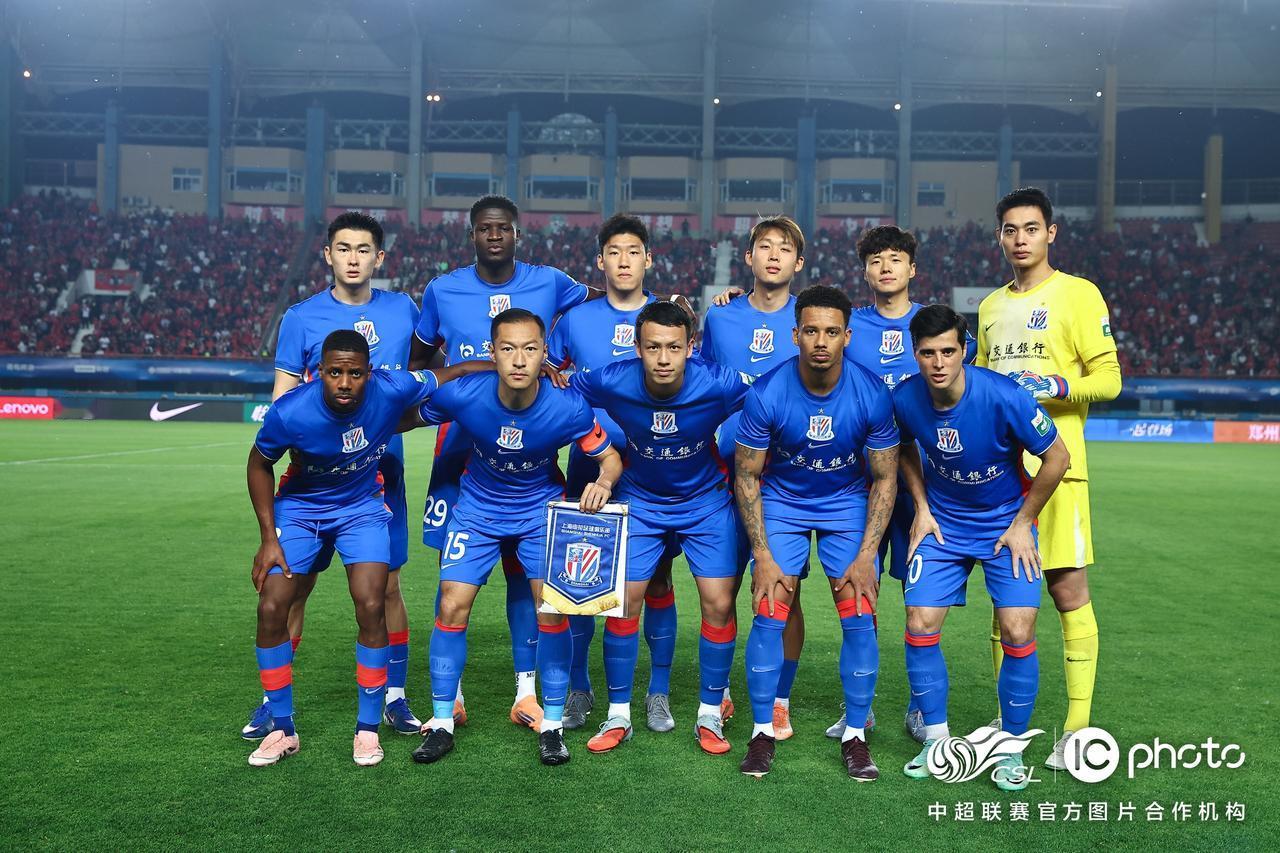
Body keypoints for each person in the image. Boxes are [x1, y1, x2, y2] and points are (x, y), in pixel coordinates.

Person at [244, 330, 479, 767]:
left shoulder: (391, 386)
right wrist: (268, 539)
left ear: (369, 373)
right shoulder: (291, 411)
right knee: (272, 606)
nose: (345, 382)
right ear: (319, 372)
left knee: (371, 603)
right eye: (335, 373)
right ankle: (282, 728)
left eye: (355, 373)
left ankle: (367, 730)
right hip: (301, 508)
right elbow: (259, 464)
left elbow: (457, 370)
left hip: (361, 508)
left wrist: (514, 367)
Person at [408, 195, 595, 730]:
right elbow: (418, 363)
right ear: (472, 235)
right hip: (461, 444)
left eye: (503, 228)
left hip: (529, 441)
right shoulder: (442, 289)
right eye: (485, 229)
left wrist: (551, 365)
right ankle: (451, 697)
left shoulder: (550, 281)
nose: (494, 236)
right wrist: (470, 377)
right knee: (454, 572)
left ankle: (526, 692)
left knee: (525, 575)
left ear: (517, 234)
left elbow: (606, 302)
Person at [408, 308, 623, 767]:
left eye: (530, 349)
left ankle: (552, 726)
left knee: (551, 610)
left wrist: (604, 483)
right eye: (508, 349)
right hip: (477, 510)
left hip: (538, 512)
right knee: (451, 605)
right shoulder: (464, 393)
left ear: (545, 354)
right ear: (493, 352)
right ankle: (443, 721)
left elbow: (609, 459)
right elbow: (406, 416)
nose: (519, 360)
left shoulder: (568, 406)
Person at [240, 212, 426, 743]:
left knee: (386, 585)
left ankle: (393, 695)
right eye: (343, 248)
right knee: (295, 587)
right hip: (314, 474)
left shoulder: (402, 310)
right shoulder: (301, 317)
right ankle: (274, 702)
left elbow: (422, 371)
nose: (353, 258)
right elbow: (283, 394)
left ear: (379, 257)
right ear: (327, 254)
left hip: (380, 469)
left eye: (363, 249)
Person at [895, 305, 1070, 791]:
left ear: (964, 349)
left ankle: (1010, 749)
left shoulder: (1004, 396)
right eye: (927, 353)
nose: (938, 363)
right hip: (943, 525)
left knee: (1018, 630)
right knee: (919, 622)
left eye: (947, 351)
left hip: (1004, 526)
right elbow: (903, 447)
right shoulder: (905, 398)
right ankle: (936, 742)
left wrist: (1024, 522)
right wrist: (921, 506)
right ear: (915, 353)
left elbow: (1058, 458)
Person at [977, 187, 1121, 768]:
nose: (1020, 239)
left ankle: (1077, 729)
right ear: (999, 237)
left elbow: (1109, 379)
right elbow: (980, 385)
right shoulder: (990, 307)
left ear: (1051, 233)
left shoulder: (1079, 294)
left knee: (1067, 591)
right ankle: (1006, 722)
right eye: (1010, 230)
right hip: (1000, 476)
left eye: (1031, 228)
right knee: (1006, 601)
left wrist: (1056, 386)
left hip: (1059, 470)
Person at [569, 301, 752, 756]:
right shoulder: (613, 379)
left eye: (674, 347)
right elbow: (564, 393)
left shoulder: (718, 382)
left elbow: (770, 403)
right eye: (653, 347)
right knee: (623, 604)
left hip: (706, 501)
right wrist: (599, 451)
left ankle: (710, 714)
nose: (664, 358)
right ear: (637, 348)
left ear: (691, 347)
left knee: (719, 603)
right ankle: (618, 715)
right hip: (640, 500)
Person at [734, 285, 900, 780]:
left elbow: (885, 478)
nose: (821, 341)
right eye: (811, 331)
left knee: (859, 610)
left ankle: (856, 737)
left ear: (847, 336)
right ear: (795, 335)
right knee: (769, 609)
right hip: (783, 501)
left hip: (845, 502)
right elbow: (747, 475)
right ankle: (762, 733)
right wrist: (763, 555)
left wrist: (867, 555)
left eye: (831, 332)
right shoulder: (767, 392)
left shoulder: (872, 393)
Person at [827, 224, 976, 744]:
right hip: (862, 482)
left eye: (895, 259)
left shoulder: (937, 326)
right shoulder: (850, 326)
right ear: (864, 271)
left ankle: (920, 706)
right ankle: (860, 707)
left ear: (912, 268)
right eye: (875, 260)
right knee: (860, 592)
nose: (885, 267)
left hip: (924, 484)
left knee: (921, 600)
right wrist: (734, 296)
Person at [545, 214, 681, 734]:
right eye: (614, 252)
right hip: (590, 464)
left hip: (655, 468)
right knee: (579, 577)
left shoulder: (668, 317)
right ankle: (579, 687)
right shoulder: (575, 320)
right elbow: (550, 376)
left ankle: (658, 692)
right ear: (600, 261)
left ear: (649, 259)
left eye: (634, 251)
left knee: (659, 578)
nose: (624, 261)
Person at [699, 215, 808, 735]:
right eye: (765, 246)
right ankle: (719, 691)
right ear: (749, 257)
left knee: (785, 590)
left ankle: (780, 698)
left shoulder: (809, 321)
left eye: (784, 248)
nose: (773, 255)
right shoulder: (721, 318)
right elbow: (701, 383)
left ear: (798, 263)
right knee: (723, 587)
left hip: (783, 480)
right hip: (724, 473)